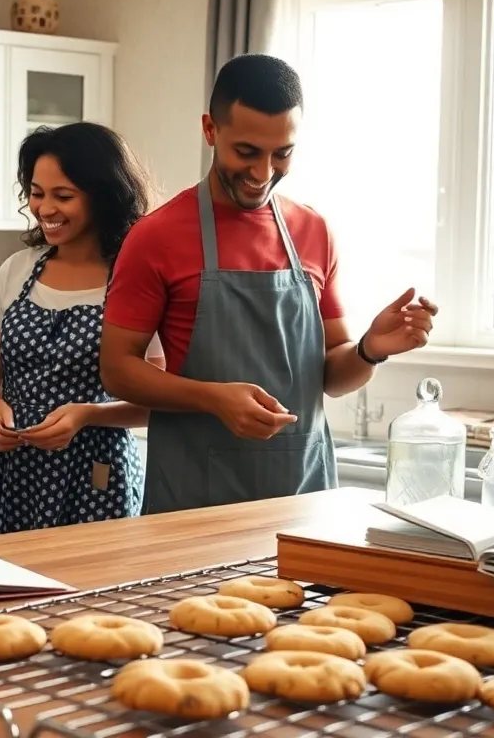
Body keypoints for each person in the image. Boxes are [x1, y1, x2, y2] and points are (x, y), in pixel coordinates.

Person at [99, 53, 438, 514]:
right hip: (193, 503)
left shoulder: (313, 231)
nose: (263, 173)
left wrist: (369, 349)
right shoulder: (155, 237)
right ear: (210, 130)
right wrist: (212, 397)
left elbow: (333, 378)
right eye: (247, 152)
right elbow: (117, 369)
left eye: (283, 153)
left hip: (303, 501)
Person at [0, 123, 164, 537]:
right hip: (7, 475)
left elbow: (157, 400)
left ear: (102, 195)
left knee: (89, 598)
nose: (45, 208)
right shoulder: (16, 270)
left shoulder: (134, 278)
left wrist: (88, 415)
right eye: (37, 193)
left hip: (97, 478)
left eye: (63, 196)